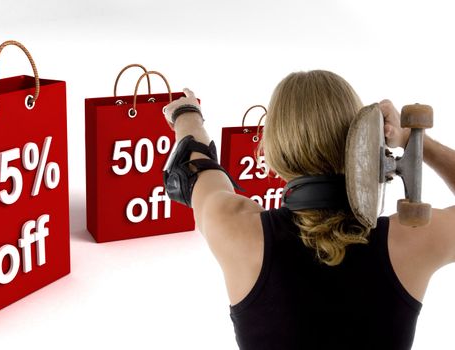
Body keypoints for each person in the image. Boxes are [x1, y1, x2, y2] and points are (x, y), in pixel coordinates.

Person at [162, 70, 455, 350]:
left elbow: (194, 166)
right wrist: (413, 140)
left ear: (272, 152)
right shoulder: (411, 241)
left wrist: (187, 115)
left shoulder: (235, 229)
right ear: (366, 141)